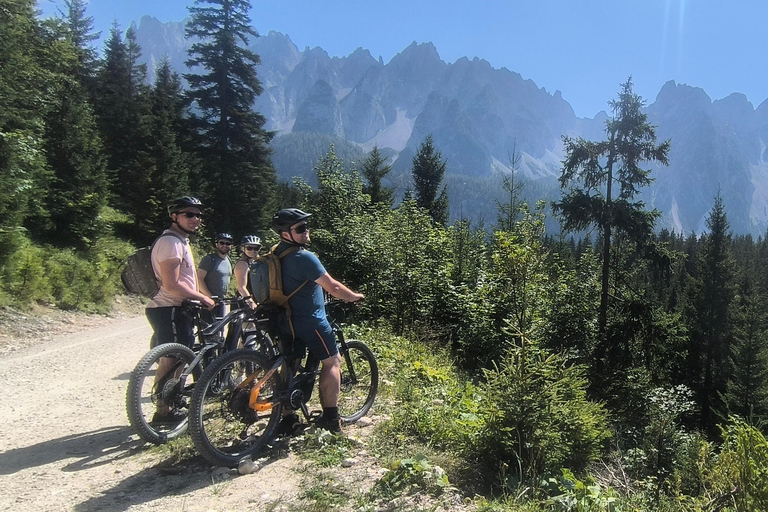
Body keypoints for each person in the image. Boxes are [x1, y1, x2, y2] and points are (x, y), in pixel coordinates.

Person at [271, 208, 364, 434]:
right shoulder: (304, 257)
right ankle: (331, 419)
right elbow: (332, 287)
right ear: (285, 233)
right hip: (310, 321)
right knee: (333, 362)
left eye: (306, 226)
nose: (306, 231)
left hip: (284, 320)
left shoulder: (275, 253)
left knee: (291, 364)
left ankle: (288, 419)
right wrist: (354, 297)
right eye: (300, 228)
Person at [145, 196, 215, 423]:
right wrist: (203, 298)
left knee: (178, 357)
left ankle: (170, 402)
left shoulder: (180, 241)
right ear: (174, 216)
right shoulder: (171, 243)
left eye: (199, 215)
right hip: (169, 307)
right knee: (172, 358)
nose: (196, 219)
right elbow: (171, 285)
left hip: (176, 308)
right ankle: (163, 411)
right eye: (189, 214)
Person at [197, 233, 234, 319]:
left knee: (219, 330)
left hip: (221, 301)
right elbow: (199, 279)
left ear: (231, 246)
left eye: (228, 244)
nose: (224, 245)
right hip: (207, 302)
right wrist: (210, 297)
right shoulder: (209, 259)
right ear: (216, 244)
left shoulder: (228, 260)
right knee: (208, 330)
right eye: (222, 243)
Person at [234, 234, 262, 310]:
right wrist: (251, 302)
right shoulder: (242, 264)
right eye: (249, 248)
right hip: (245, 302)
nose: (253, 251)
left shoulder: (255, 262)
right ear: (243, 249)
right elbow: (241, 288)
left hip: (254, 300)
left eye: (256, 248)